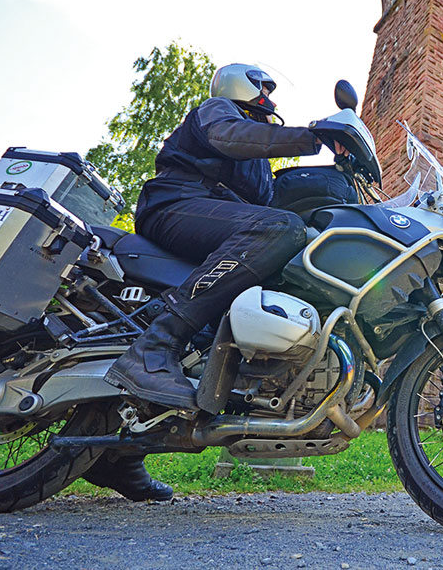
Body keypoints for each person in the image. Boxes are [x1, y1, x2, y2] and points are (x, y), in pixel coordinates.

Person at [89, 63, 340, 501]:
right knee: (278, 229)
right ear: (242, 83)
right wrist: (314, 136)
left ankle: (120, 454)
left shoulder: (259, 163)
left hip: (212, 227)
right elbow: (232, 139)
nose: (271, 98)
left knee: (281, 262)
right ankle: (152, 347)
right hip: (176, 204)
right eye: (264, 87)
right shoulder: (219, 112)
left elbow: (269, 203)